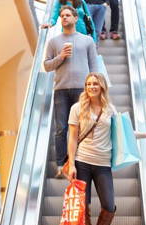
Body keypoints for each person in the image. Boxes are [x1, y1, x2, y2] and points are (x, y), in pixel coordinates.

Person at [67, 72, 146, 225]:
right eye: (88, 84)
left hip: (103, 164)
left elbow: (125, 133)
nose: (91, 87)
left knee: (109, 205)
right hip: (82, 162)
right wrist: (71, 163)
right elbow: (72, 137)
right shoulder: (77, 108)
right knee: (82, 206)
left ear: (102, 86)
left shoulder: (109, 109)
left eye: (95, 83)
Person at [44, 6, 98, 178]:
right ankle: (61, 164)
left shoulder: (87, 41)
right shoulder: (53, 42)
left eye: (67, 15)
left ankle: (79, 163)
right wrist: (60, 57)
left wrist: (95, 90)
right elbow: (46, 66)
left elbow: (94, 66)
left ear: (76, 18)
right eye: (62, 16)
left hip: (83, 91)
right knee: (61, 129)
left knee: (82, 127)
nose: (64, 18)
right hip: (60, 90)